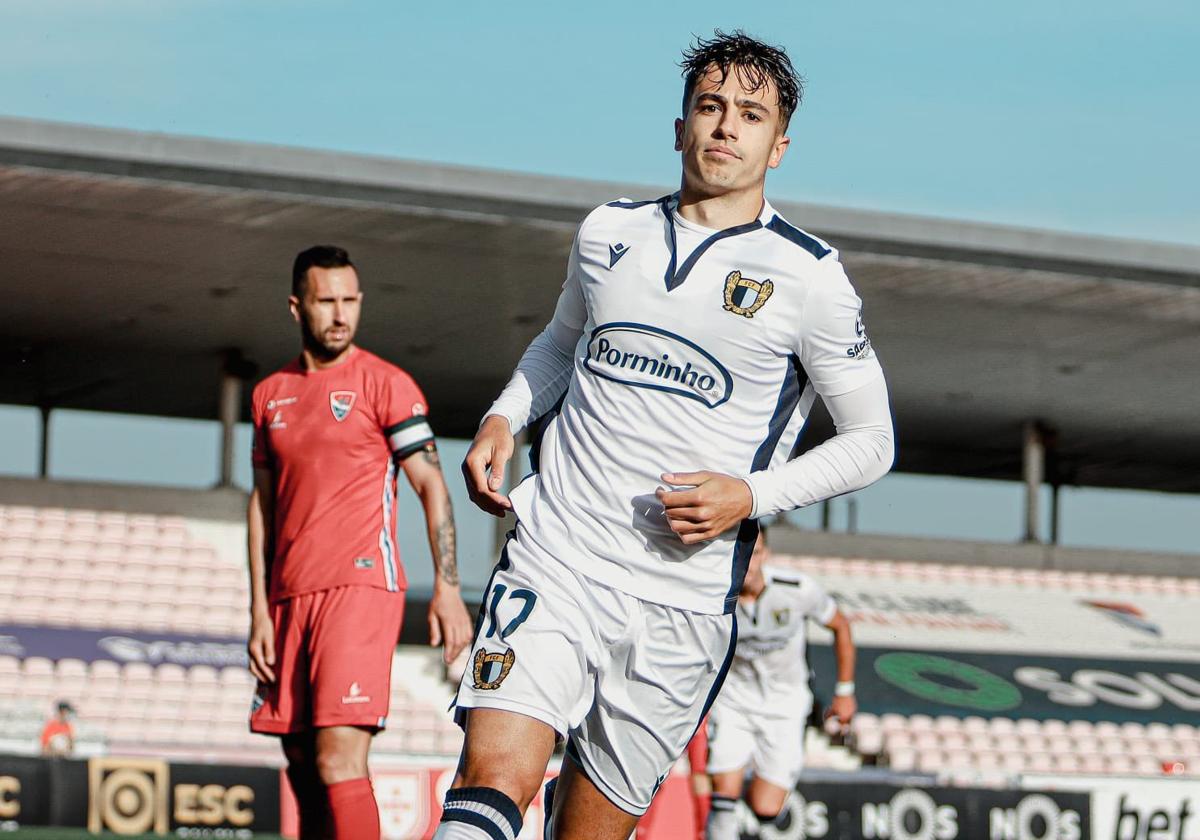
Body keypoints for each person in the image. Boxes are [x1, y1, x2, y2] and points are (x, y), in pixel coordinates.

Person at [444, 30, 895, 840]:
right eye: (710, 107)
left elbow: (872, 440)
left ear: (779, 146)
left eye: (750, 115)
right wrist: (505, 416)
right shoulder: (608, 231)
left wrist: (750, 495)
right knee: (490, 781)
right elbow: (558, 344)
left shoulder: (812, 278)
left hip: (682, 603)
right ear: (680, 124)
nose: (726, 126)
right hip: (559, 554)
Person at [246, 245, 473, 840]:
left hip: (360, 588)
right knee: (299, 764)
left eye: (350, 300)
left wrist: (447, 588)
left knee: (337, 759)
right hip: (290, 597)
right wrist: (260, 610)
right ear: (298, 307)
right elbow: (262, 506)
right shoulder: (269, 395)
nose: (341, 314)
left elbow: (431, 485)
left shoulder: (386, 385)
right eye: (327, 301)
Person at [705, 528, 856, 839]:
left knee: (766, 808)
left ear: (766, 555)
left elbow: (840, 625)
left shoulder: (797, 589)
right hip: (734, 704)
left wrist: (844, 691)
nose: (747, 563)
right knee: (723, 795)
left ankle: (760, 804)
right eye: (741, 554)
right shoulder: (713, 592)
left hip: (785, 707)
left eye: (755, 554)